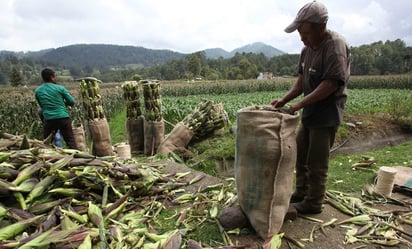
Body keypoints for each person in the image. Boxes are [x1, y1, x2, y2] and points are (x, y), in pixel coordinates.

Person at [270, 1, 350, 214]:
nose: (302, 38)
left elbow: (331, 84)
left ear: (321, 27)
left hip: (327, 113)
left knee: (317, 161)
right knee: (301, 154)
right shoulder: (307, 49)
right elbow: (300, 83)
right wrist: (284, 101)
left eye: (305, 32)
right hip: (310, 111)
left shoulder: (335, 46)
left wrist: (299, 104)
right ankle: (302, 192)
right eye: (299, 33)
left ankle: (313, 203)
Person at [35, 68, 77, 149]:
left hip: (49, 119)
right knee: (71, 142)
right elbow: (72, 102)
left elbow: (42, 106)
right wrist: (63, 103)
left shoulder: (38, 91)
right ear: (52, 77)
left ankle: (47, 160)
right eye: (55, 77)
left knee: (46, 144)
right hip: (63, 118)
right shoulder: (60, 88)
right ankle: (77, 159)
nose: (56, 78)